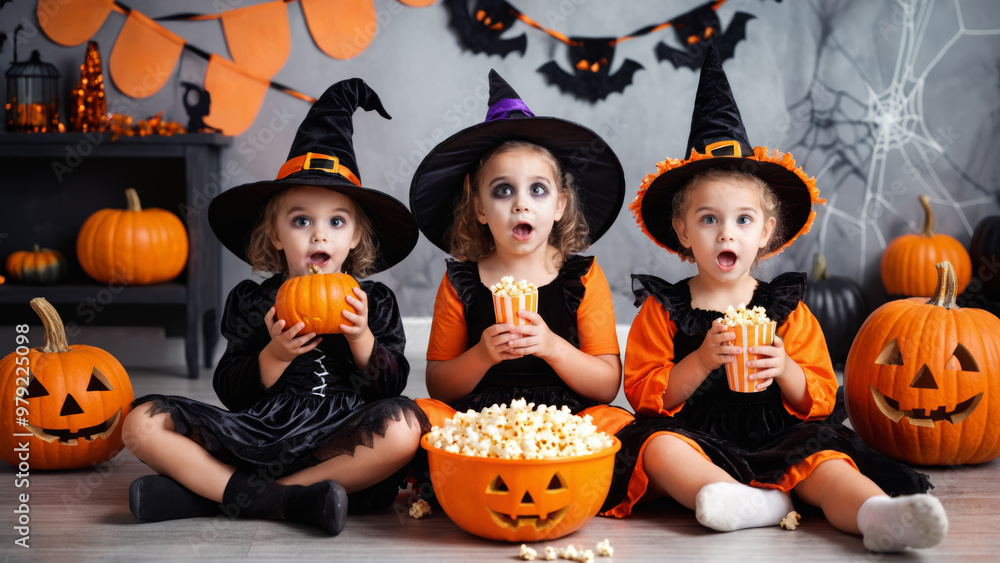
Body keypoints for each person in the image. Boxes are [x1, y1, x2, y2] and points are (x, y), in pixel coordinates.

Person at [608, 46, 948, 553]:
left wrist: (786, 367)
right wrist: (701, 361)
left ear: (766, 231)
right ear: (682, 229)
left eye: (743, 220)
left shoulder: (786, 308)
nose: (727, 234)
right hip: (697, 437)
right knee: (656, 448)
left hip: (776, 433)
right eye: (709, 219)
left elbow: (820, 396)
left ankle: (876, 514)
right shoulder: (664, 309)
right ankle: (730, 498)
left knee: (824, 460)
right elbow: (645, 396)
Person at [123, 79, 427, 535]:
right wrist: (275, 355)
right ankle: (290, 500)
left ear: (356, 237)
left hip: (341, 437)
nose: (319, 235)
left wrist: (362, 338)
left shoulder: (373, 302)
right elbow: (230, 388)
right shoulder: (253, 300)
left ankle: (217, 494)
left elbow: (387, 386)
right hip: (262, 432)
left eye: (336, 221)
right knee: (140, 423)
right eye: (301, 220)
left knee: (405, 427)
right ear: (275, 236)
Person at [408, 70, 634, 508]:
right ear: (477, 206)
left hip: (566, 419)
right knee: (419, 417)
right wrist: (481, 355)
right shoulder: (462, 280)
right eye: (502, 190)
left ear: (560, 204)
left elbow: (606, 384)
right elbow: (439, 385)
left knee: (620, 425)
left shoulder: (582, 277)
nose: (521, 203)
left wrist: (552, 346)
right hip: (481, 422)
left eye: (537, 189)